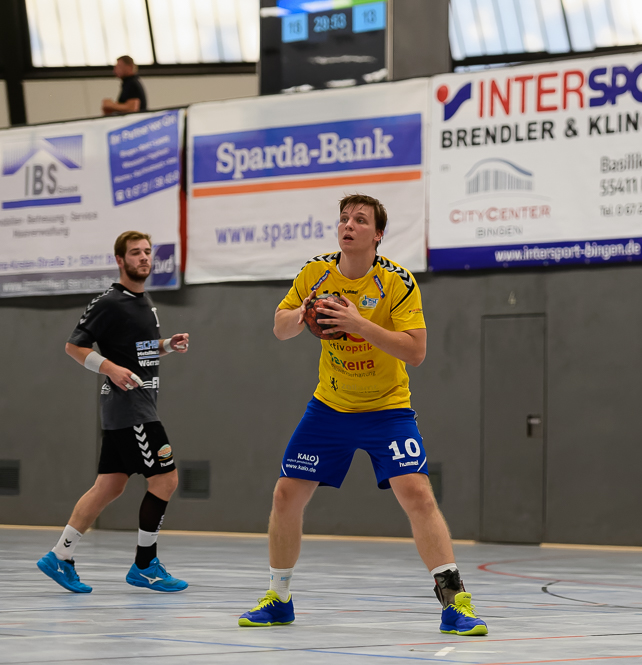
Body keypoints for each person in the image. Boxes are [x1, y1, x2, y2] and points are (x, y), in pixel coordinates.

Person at [238, 194, 487, 636]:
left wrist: (359, 325)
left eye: (359, 220)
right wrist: (302, 314)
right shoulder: (316, 273)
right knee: (285, 495)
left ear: (378, 235)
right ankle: (278, 599)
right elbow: (279, 327)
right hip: (330, 407)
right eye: (343, 219)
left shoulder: (397, 281)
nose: (348, 225)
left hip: (387, 409)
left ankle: (455, 605)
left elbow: (416, 351)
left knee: (418, 494)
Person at [36, 231, 189, 594]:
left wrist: (167, 345)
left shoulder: (143, 301)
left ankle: (60, 555)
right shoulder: (110, 302)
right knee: (165, 480)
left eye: (147, 252)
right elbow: (74, 346)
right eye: (135, 253)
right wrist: (110, 369)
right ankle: (145, 565)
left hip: (135, 406)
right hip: (131, 408)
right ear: (120, 260)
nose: (144, 257)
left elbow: (138, 350)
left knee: (109, 485)